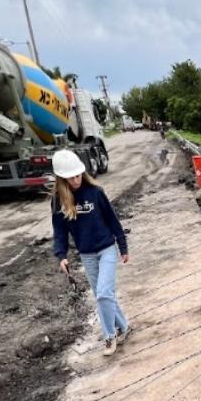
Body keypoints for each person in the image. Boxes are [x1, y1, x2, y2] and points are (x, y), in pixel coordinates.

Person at [51, 149, 131, 356]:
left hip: (107, 249)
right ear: (62, 178)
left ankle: (109, 337)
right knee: (104, 296)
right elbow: (59, 231)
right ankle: (124, 326)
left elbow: (113, 220)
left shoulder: (95, 192)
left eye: (78, 175)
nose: (76, 180)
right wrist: (61, 255)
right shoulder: (58, 200)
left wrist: (123, 247)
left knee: (104, 293)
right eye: (70, 177)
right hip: (86, 254)